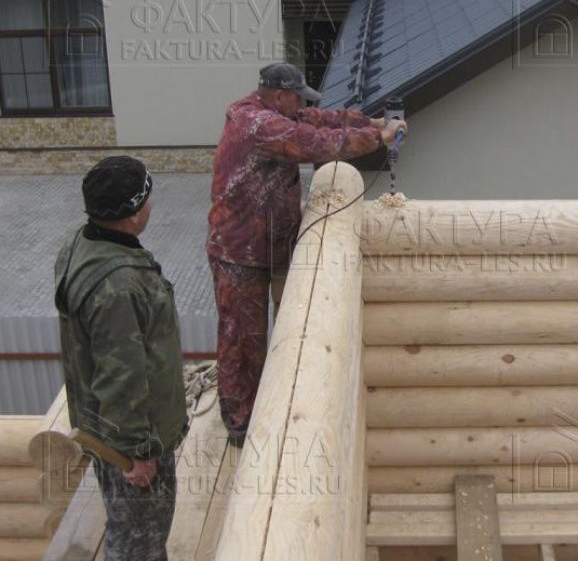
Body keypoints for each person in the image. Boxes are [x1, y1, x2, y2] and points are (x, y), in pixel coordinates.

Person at [207, 62, 407, 443]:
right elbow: (312, 142)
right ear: (279, 95)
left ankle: (269, 400)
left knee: (281, 330)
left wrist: (373, 121)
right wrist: (377, 139)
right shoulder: (257, 124)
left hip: (269, 243)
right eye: (297, 97)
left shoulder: (278, 111)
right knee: (242, 339)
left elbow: (323, 120)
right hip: (238, 252)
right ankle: (240, 423)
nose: (302, 105)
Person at [54, 156, 188, 561]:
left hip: (106, 426)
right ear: (132, 216)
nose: (152, 205)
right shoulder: (117, 286)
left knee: (136, 530)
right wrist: (138, 453)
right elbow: (122, 375)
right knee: (137, 540)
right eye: (147, 199)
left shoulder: (85, 242)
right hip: (130, 440)